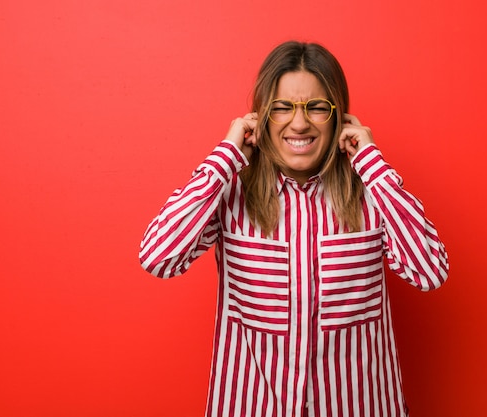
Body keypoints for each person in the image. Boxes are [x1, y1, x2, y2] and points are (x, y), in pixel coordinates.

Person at [139, 40, 449, 417]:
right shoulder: (229, 192)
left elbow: (431, 271)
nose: (299, 122)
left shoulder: (372, 192)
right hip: (253, 406)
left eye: (316, 108)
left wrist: (372, 163)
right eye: (282, 107)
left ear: (338, 118)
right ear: (261, 117)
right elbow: (158, 257)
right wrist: (225, 156)